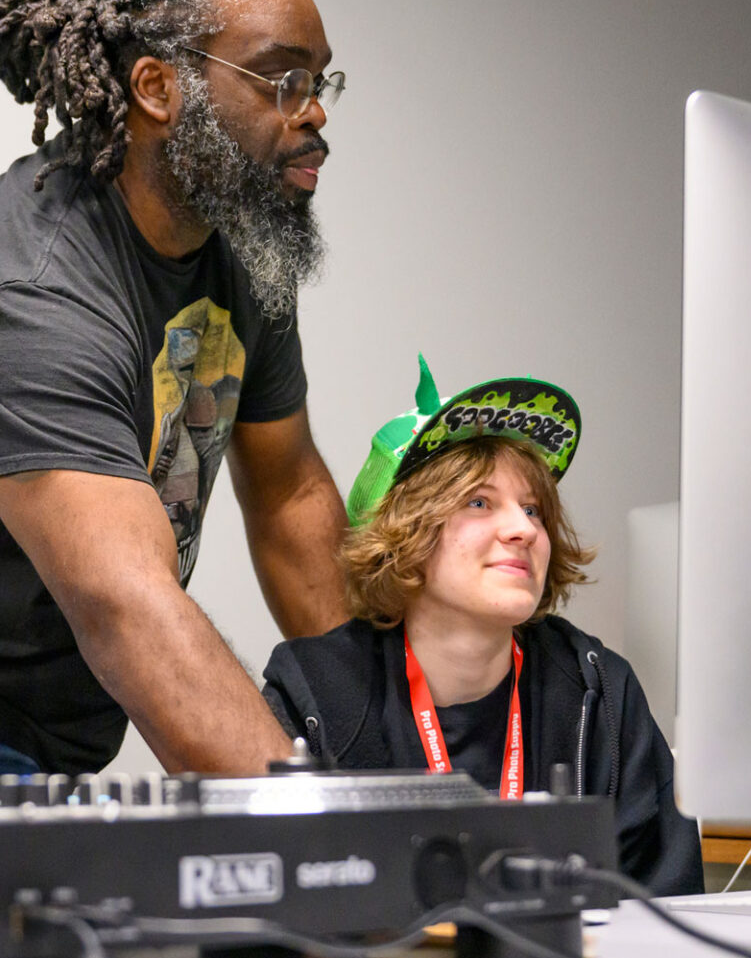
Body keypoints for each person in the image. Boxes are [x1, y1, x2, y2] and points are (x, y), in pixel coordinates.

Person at [0, 0, 350, 785]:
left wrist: (369, 736)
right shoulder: (27, 285)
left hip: (65, 724)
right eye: (282, 79)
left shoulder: (242, 255)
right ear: (158, 87)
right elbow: (124, 604)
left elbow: (289, 492)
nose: (313, 114)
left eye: (322, 82)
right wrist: (341, 828)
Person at [262, 360, 704, 896]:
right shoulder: (317, 691)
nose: (523, 529)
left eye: (534, 509)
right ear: (405, 532)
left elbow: (669, 905)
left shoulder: (601, 694)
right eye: (479, 502)